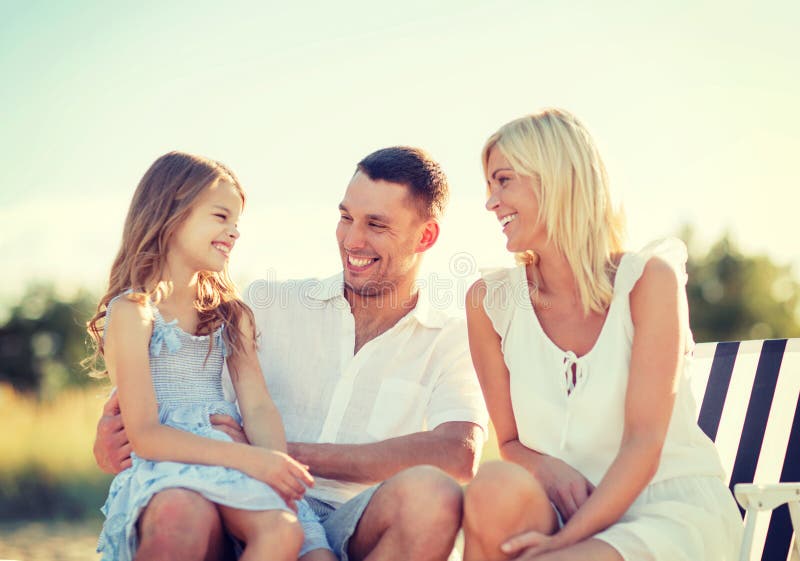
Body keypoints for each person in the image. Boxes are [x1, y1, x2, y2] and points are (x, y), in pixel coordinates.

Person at [94, 146, 489, 561]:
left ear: (425, 236)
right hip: (235, 503)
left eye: (376, 224)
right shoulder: (264, 304)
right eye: (345, 217)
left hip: (351, 518)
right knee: (180, 513)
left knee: (432, 494)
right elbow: (172, 403)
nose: (353, 239)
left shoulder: (452, 335)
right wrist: (111, 444)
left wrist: (276, 458)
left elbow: (458, 454)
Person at [461, 109, 743, 561]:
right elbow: (509, 442)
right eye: (490, 186)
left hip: (662, 508)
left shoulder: (649, 281)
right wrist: (547, 470)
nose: (491, 202)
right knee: (494, 486)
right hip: (562, 510)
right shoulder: (489, 303)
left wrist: (562, 544)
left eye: (504, 181)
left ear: (555, 178)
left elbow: (643, 443)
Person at [87, 151, 336, 561]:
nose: (234, 232)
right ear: (173, 210)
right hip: (171, 460)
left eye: (237, 223)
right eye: (221, 217)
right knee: (177, 526)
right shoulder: (133, 312)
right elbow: (146, 436)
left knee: (287, 533)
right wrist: (248, 459)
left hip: (237, 462)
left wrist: (274, 466)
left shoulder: (230, 314)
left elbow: (256, 404)